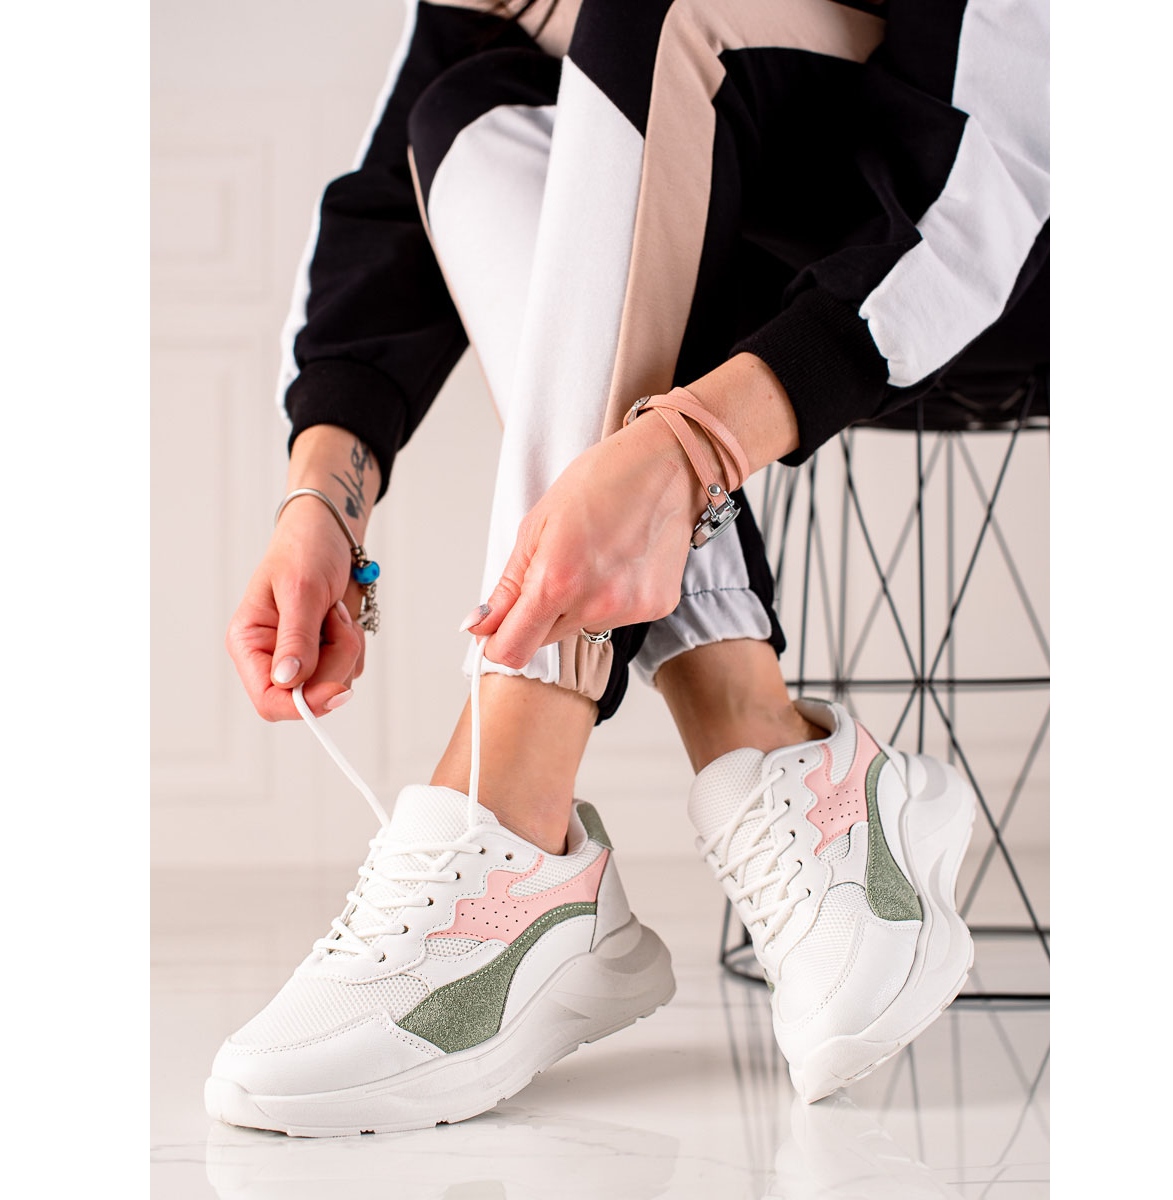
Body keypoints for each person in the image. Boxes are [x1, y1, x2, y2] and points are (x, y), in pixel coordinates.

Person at [206, 0, 1049, 1136]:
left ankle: (508, 829)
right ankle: (778, 760)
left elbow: (1004, 166)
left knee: (651, 10)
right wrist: (323, 495)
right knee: (471, 114)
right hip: (760, 250)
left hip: (1011, 254)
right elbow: (393, 184)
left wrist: (696, 444)